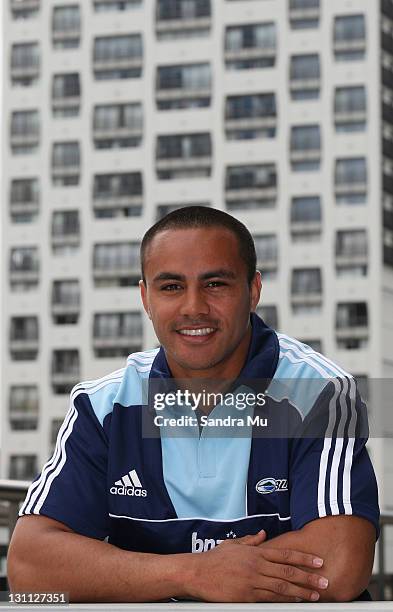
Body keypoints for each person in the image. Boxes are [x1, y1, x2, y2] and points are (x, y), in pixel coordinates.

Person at [8, 206, 379, 603]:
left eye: (215, 284)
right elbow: (29, 568)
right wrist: (193, 573)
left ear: (253, 291)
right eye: (170, 287)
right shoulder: (103, 406)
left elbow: (340, 564)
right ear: (145, 298)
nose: (193, 307)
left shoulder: (320, 391)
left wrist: (149, 577)